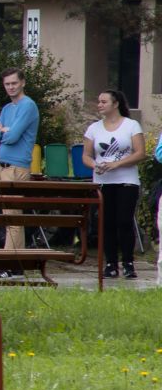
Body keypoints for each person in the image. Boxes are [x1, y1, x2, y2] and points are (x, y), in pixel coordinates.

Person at [82, 89, 145, 278]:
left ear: (115, 104)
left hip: (127, 181)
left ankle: (128, 263)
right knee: (106, 222)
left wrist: (116, 164)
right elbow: (86, 155)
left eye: (104, 102)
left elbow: (140, 153)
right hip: (103, 182)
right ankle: (110, 263)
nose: (99, 105)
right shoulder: (94, 128)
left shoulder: (131, 125)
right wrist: (95, 165)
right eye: (99, 102)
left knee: (124, 221)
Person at [0, 68, 38, 255]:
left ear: (23, 83)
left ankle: (12, 260)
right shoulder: (7, 108)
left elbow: (13, 137)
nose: (11, 87)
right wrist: (3, 131)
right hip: (2, 166)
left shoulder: (28, 105)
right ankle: (10, 258)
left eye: (14, 83)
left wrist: (3, 131)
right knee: (7, 217)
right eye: (7, 84)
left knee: (13, 218)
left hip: (16, 167)